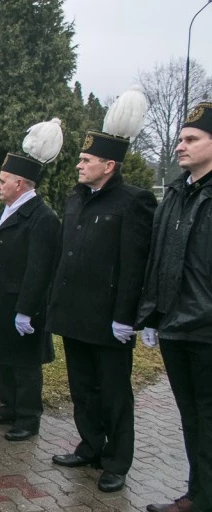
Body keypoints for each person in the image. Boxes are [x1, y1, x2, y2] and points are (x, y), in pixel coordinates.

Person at [47, 86, 156, 494]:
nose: (78, 164)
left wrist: (126, 316)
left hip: (109, 319)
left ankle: (116, 461)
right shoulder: (76, 199)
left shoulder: (134, 201)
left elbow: (134, 265)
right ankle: (90, 445)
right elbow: (65, 255)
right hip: (74, 312)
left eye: (86, 160)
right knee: (82, 388)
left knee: (114, 393)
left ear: (109, 165)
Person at [137, 101, 212, 512]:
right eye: (180, 139)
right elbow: (158, 259)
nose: (180, 146)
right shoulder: (176, 194)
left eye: (191, 139)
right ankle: (198, 494)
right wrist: (151, 314)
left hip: (207, 328)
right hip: (175, 325)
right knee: (192, 418)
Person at [0, 118, 62, 442]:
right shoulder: (8, 209)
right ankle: (8, 407)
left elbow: (39, 269)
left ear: (21, 183)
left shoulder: (43, 218)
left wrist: (27, 309)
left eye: (3, 180)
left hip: (22, 304)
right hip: (1, 299)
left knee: (25, 365)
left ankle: (28, 418)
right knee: (4, 357)